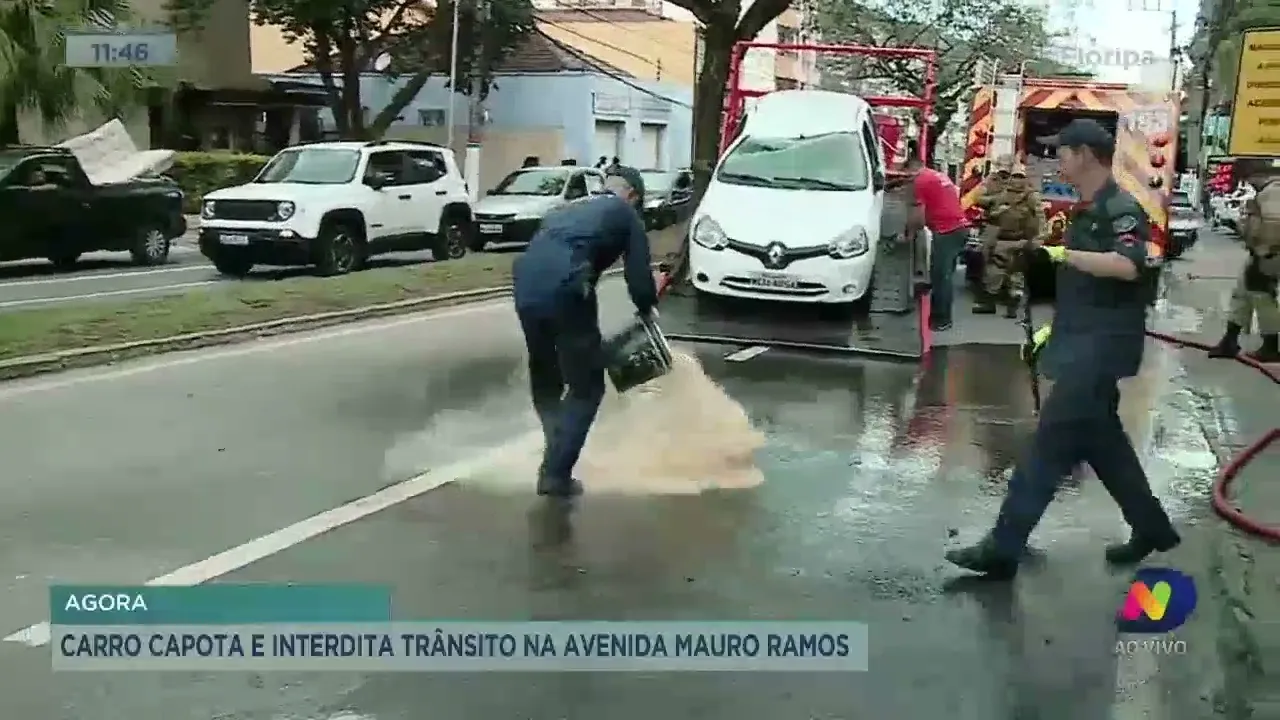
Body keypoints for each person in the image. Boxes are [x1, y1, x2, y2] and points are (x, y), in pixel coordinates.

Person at [946, 119, 1180, 579]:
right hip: (1084, 344)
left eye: (1063, 152)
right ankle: (1152, 527)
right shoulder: (1088, 208)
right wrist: (1051, 332)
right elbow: (1086, 291)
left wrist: (1060, 255)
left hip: (1099, 353)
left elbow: (1128, 266)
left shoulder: (1119, 208)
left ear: (1086, 155)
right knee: (1105, 446)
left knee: (1046, 449)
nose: (1057, 161)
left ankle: (1003, 547)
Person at [511, 166, 658, 497]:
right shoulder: (625, 214)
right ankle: (555, 474)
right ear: (633, 195)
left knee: (546, 375)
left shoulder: (566, 208)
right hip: (567, 285)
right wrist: (647, 307)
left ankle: (556, 442)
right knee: (587, 387)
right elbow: (638, 277)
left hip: (525, 288)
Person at [1208, 175, 1280, 363]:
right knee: (1242, 292)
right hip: (1261, 252)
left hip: (1268, 254)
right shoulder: (1266, 192)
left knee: (1261, 295)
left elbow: (1275, 224)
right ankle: (1230, 341)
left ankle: (1271, 345)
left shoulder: (1274, 191)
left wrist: (1265, 251)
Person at [904, 155, 970, 332]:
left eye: (907, 176)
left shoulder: (921, 181)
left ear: (911, 170)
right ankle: (937, 315)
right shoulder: (935, 175)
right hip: (959, 228)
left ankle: (942, 319)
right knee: (944, 274)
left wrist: (909, 234)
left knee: (941, 276)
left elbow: (918, 216)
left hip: (947, 231)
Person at [974, 158, 1044, 318]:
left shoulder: (1031, 196)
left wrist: (1039, 237)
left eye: (1020, 177)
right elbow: (983, 202)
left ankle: (1011, 307)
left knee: (1016, 274)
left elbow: (1040, 217)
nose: (1017, 181)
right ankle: (990, 303)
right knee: (994, 272)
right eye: (1015, 177)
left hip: (1021, 239)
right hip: (1003, 239)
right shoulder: (1003, 193)